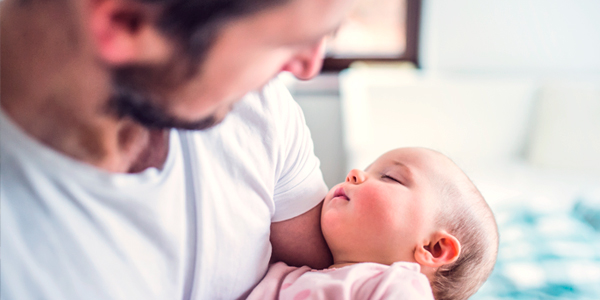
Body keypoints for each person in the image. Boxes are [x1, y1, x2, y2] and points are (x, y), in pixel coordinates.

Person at [0, 0, 356, 299]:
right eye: (283, 42)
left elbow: (345, 274)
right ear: (125, 23)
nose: (309, 68)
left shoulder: (256, 103)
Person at [248, 148, 499, 300]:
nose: (355, 173)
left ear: (433, 248)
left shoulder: (397, 287)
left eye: (389, 177)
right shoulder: (288, 274)